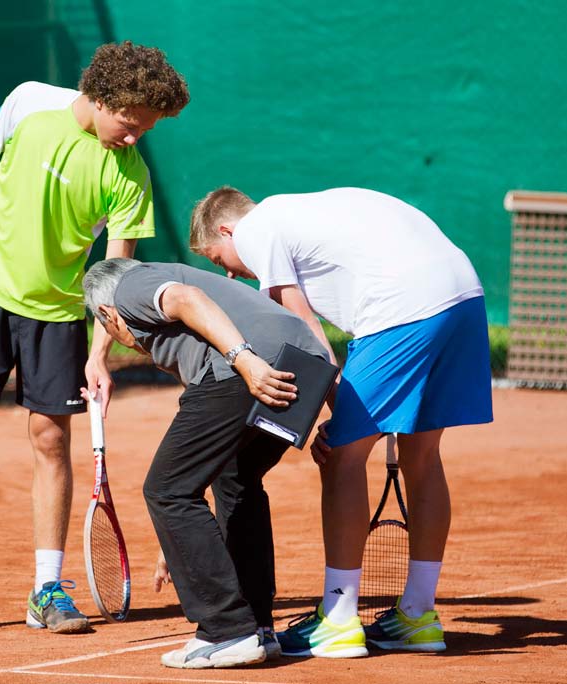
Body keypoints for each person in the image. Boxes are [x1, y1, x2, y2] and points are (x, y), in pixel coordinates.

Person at [0, 42, 189, 634]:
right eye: (130, 122)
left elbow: (114, 278)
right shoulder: (29, 103)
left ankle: (47, 587)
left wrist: (101, 353)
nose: (135, 137)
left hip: (60, 313)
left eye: (146, 129)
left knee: (49, 439)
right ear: (101, 98)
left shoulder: (130, 175)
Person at [189, 186, 493, 656]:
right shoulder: (307, 211)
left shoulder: (256, 229)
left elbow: (305, 332)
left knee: (340, 457)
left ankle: (338, 618)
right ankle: (418, 616)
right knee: (424, 457)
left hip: (404, 306)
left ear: (227, 229)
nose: (230, 271)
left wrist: (338, 408)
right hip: (464, 297)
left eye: (219, 258)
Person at [82, 257, 332, 668]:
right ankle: (257, 626)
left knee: (166, 489)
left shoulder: (132, 288)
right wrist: (183, 542)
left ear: (107, 315)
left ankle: (227, 629)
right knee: (237, 478)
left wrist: (244, 359)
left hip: (254, 366)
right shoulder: (182, 303)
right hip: (306, 369)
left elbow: (185, 299)